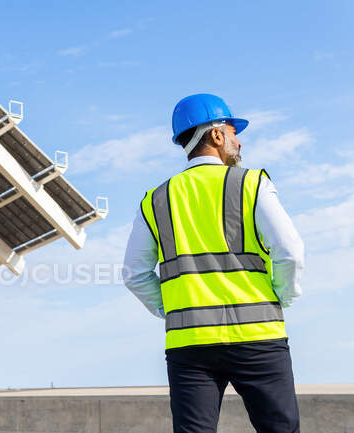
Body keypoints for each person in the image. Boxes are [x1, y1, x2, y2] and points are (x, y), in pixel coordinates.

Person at [122, 94, 304, 432]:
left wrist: (173, 310)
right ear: (217, 135)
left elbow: (133, 274)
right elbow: (289, 250)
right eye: (234, 132)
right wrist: (284, 296)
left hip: (189, 344)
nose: (239, 141)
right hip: (259, 335)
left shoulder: (156, 199)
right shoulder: (251, 184)